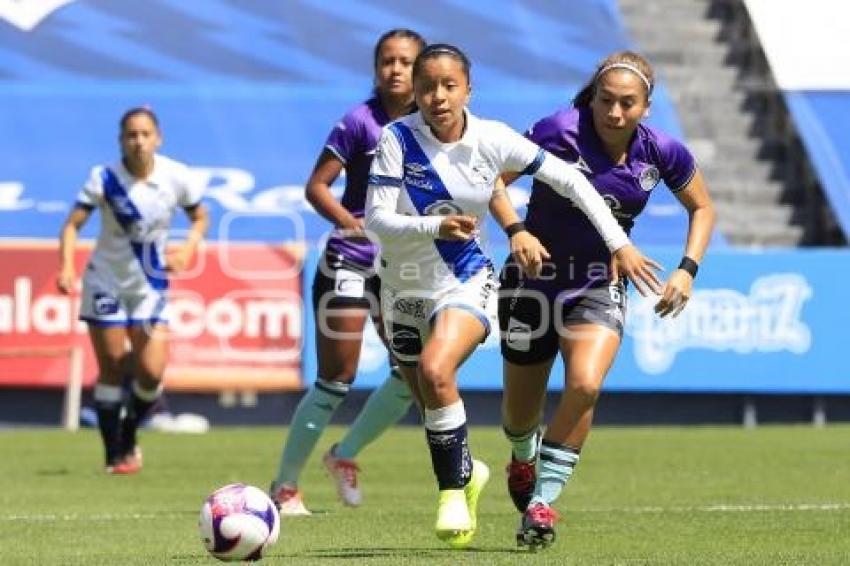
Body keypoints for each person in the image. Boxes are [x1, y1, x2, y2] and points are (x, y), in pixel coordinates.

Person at [365, 43, 662, 548]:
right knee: (428, 397)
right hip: (400, 286)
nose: (437, 96)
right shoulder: (395, 139)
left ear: (468, 90)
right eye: (427, 86)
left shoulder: (493, 138)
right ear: (414, 92)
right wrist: (438, 222)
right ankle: (470, 473)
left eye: (448, 85)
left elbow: (573, 180)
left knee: (439, 370)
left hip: (464, 277)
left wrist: (620, 243)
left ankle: (453, 493)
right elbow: (376, 223)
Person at [492, 50, 716, 549]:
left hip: (598, 281)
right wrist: (517, 231)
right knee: (519, 416)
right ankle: (522, 454)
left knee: (587, 384)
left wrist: (687, 269)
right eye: (606, 101)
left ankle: (541, 505)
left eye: (627, 104)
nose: (615, 113)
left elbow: (701, 207)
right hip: (532, 280)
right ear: (592, 97)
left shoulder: (663, 152)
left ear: (647, 107)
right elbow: (491, 180)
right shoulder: (556, 131)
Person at [268, 29, 427, 515]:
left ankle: (345, 455)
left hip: (401, 264)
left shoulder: (434, 127)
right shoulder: (360, 122)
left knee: (411, 375)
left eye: (404, 62)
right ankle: (285, 486)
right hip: (350, 260)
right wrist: (349, 222)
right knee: (337, 377)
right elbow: (317, 186)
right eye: (386, 61)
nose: (395, 69)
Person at [57, 106, 208, 474]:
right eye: (131, 135)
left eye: (144, 134)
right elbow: (72, 225)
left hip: (149, 286)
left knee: (151, 373)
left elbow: (200, 216)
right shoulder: (104, 178)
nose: (138, 141)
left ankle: (129, 429)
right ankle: (114, 455)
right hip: (105, 281)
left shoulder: (177, 176)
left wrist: (187, 249)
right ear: (121, 139)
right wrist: (65, 266)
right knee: (110, 366)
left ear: (157, 138)